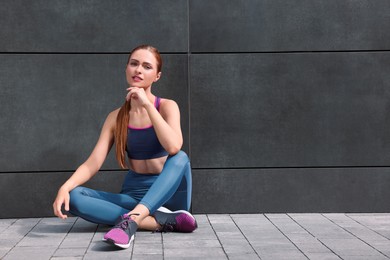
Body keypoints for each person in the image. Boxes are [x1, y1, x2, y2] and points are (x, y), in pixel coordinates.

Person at [53, 44, 197, 249]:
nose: (138, 70)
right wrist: (64, 187)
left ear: (157, 76)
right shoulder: (115, 117)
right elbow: (93, 163)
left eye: (147, 66)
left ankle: (134, 220)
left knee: (181, 157)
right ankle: (151, 222)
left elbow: (173, 147)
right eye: (134, 64)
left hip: (171, 198)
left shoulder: (167, 106)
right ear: (126, 68)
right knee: (74, 197)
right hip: (134, 196)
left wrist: (147, 104)